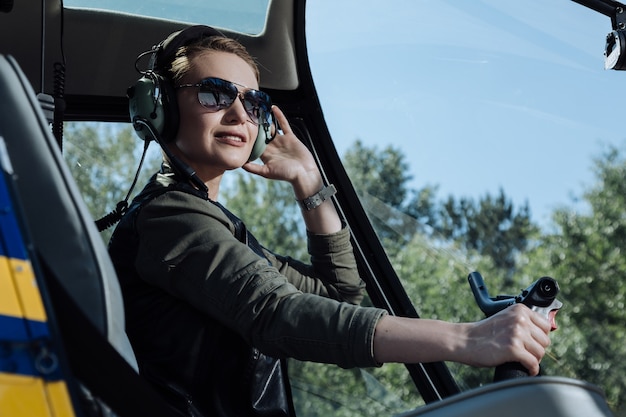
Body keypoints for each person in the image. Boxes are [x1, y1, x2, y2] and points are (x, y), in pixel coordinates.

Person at [108, 25, 552, 417]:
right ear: (159, 106)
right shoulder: (168, 218)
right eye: (214, 93)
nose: (240, 115)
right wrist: (468, 341)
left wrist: (308, 181)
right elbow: (279, 314)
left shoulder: (216, 227)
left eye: (252, 101)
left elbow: (340, 295)